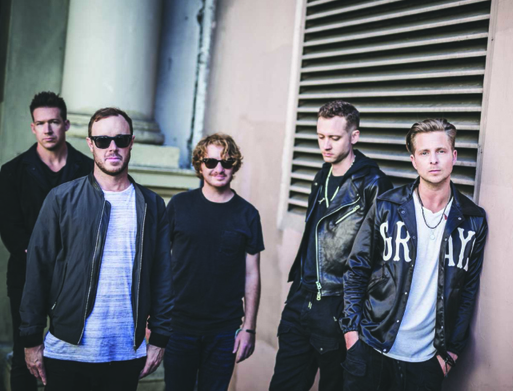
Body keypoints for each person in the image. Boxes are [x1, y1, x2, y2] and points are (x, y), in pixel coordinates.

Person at [19, 107, 173, 391]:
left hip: (126, 353)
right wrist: (31, 338)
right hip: (67, 350)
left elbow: (162, 275)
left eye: (120, 140)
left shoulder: (152, 205)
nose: (112, 147)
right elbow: (37, 270)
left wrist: (160, 338)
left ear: (131, 142)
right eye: (102, 141)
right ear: (90, 144)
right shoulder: (61, 199)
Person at [341, 119, 489, 391]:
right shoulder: (387, 207)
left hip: (427, 364)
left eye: (441, 151)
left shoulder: (472, 220)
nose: (433, 160)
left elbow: (467, 291)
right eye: (424, 153)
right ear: (414, 161)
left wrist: (450, 354)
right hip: (372, 349)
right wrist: (352, 334)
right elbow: (357, 269)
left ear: (454, 156)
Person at [270, 100, 392, 391]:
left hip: (337, 305)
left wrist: (354, 317)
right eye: (321, 136)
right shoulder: (321, 176)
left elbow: (379, 260)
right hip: (301, 298)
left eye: (334, 138)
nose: (325, 145)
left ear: (354, 136)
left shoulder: (373, 184)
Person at [0, 91, 93, 391]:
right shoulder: (12, 172)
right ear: (33, 127)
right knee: (25, 353)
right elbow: (9, 227)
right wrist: (39, 257)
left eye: (54, 122)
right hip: (27, 275)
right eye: (41, 123)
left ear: (66, 124)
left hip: (74, 276)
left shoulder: (88, 169)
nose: (48, 129)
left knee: (71, 354)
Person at [163, 133, 264, 391]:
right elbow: (159, 262)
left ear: (234, 166)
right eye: (211, 162)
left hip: (224, 330)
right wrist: (154, 319)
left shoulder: (248, 215)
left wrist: (249, 329)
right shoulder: (179, 205)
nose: (219, 168)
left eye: (226, 162)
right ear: (199, 165)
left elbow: (252, 275)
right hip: (179, 325)